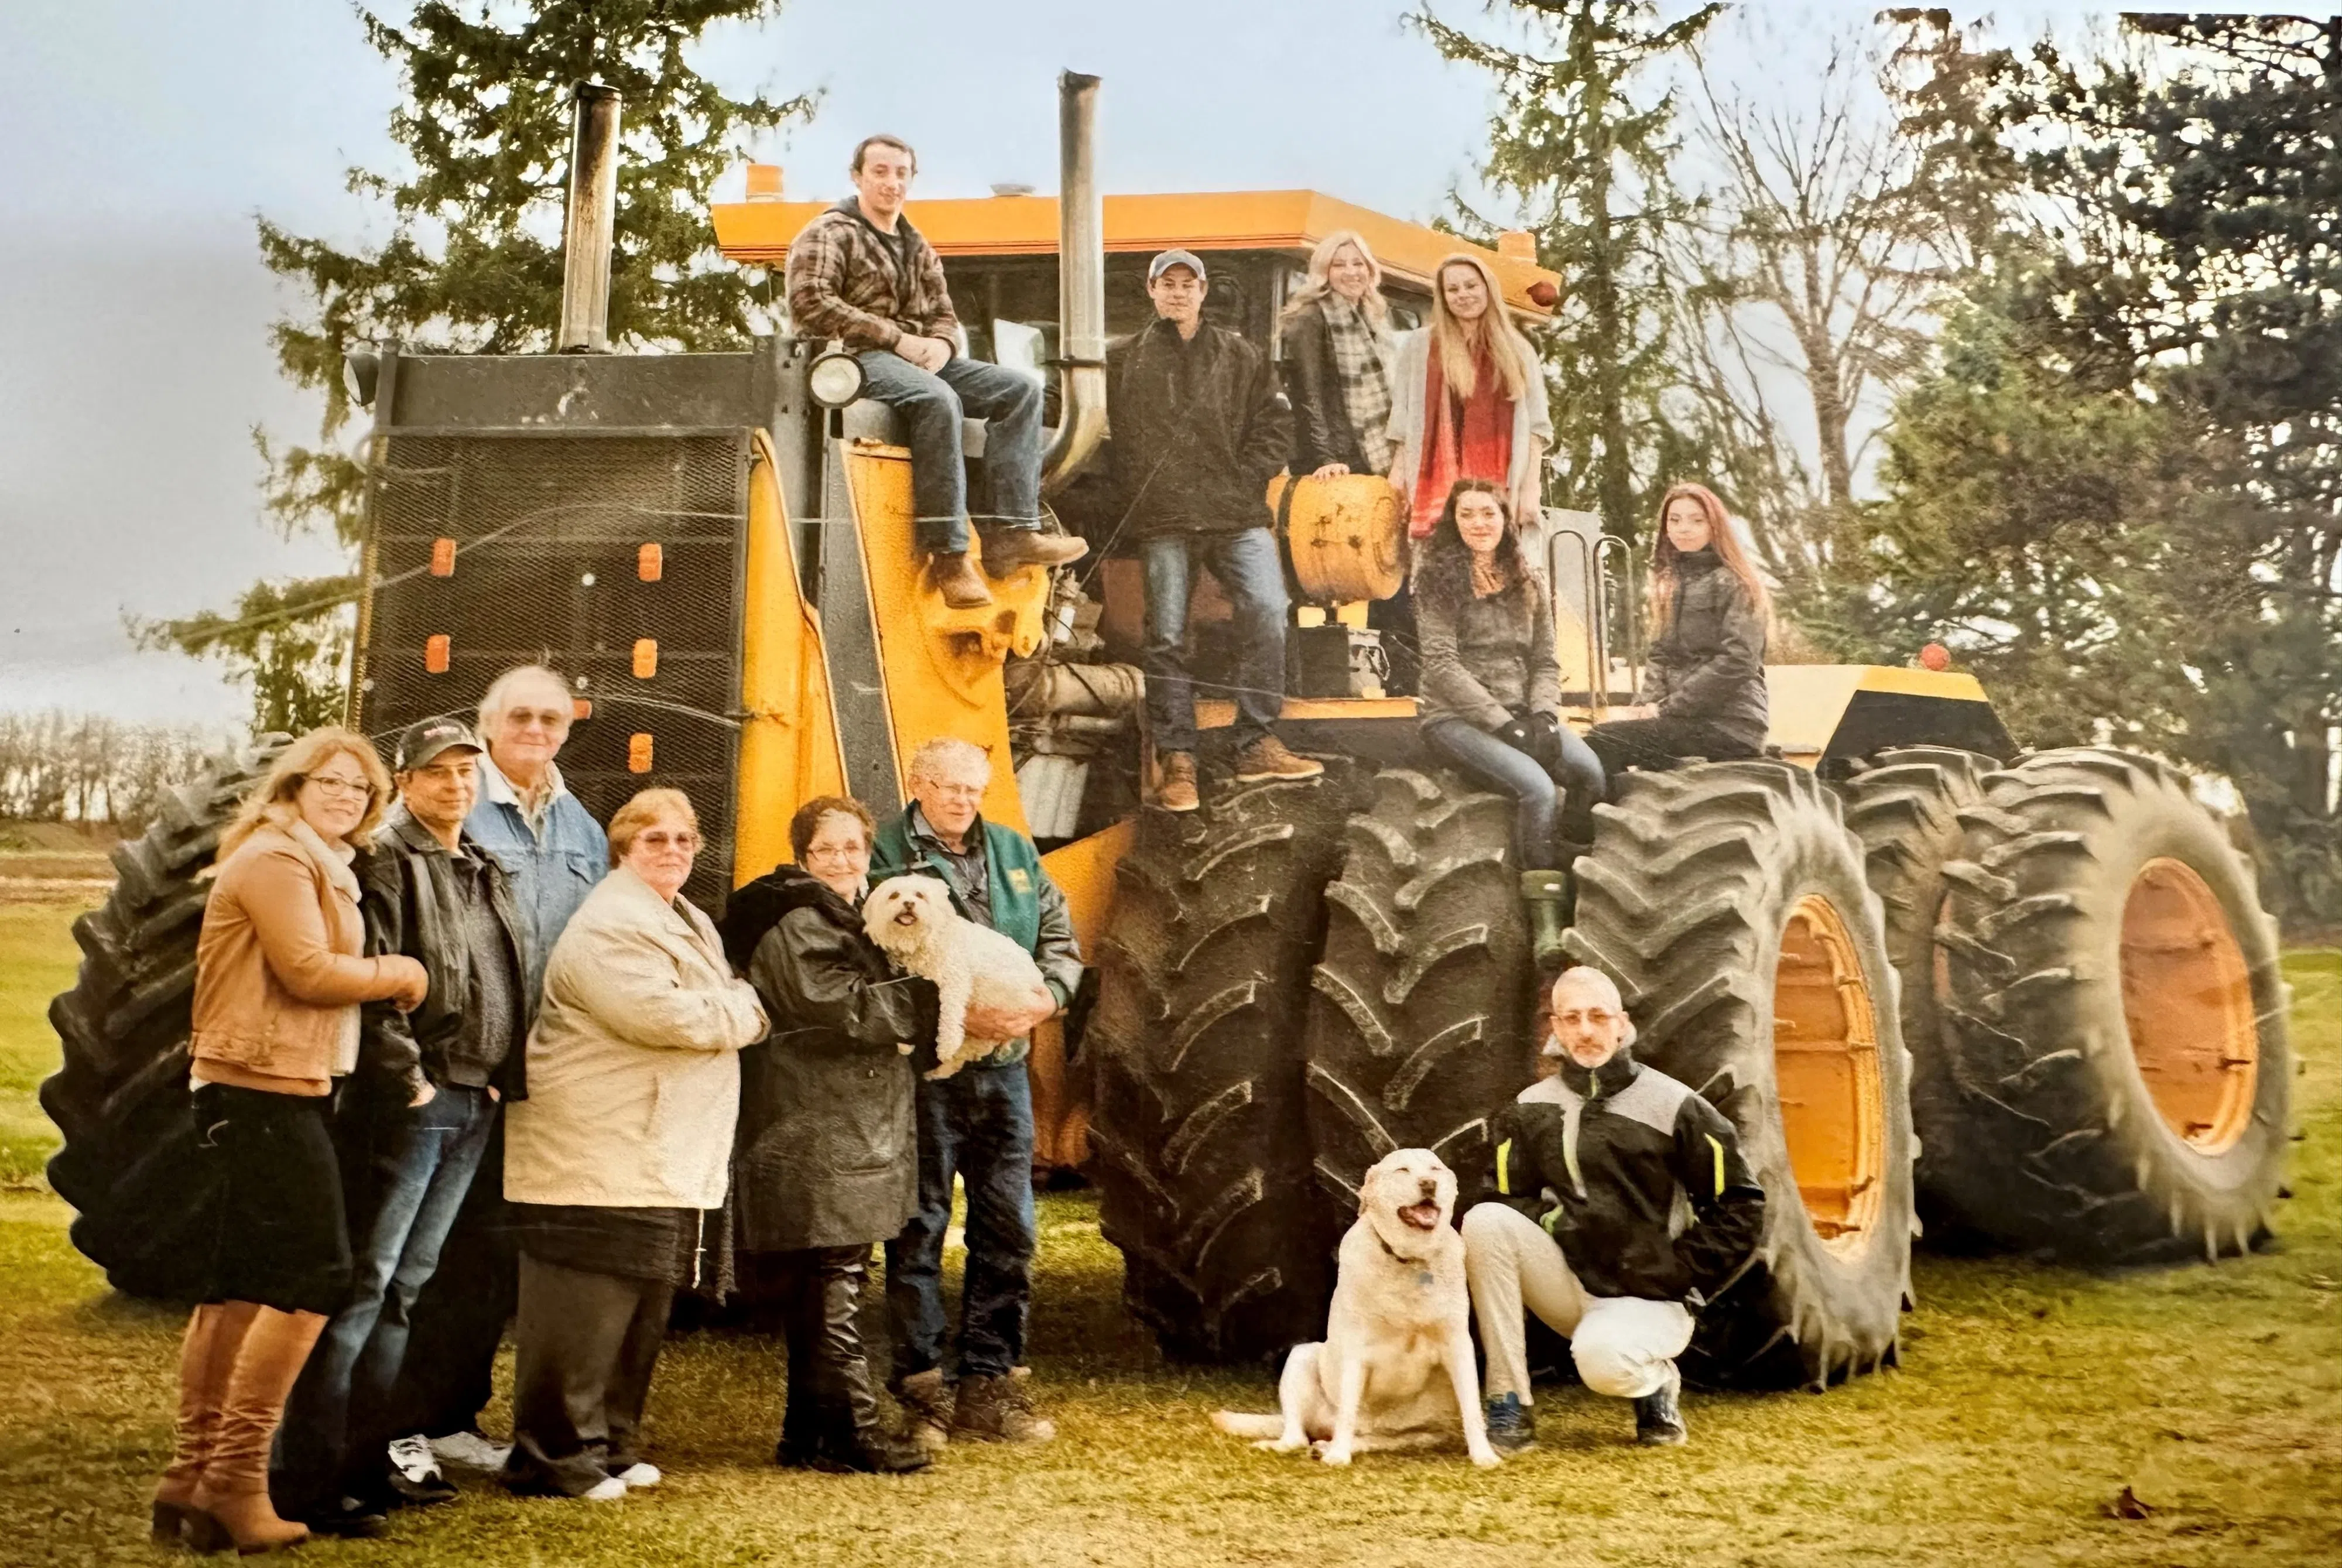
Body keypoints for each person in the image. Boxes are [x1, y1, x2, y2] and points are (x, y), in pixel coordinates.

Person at [151, 727, 430, 1555]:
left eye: (361, 789)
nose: (346, 796)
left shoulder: (314, 860)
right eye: (331, 781)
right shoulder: (279, 859)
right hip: (262, 1087)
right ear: (294, 783)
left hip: (271, 1085)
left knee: (241, 1280)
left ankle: (192, 1480)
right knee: (318, 1272)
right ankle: (236, 1481)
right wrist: (403, 972)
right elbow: (308, 970)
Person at [272, 717, 530, 1536]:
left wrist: (496, 1077)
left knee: (407, 1286)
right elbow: (374, 980)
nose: (456, 784)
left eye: (467, 771)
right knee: (368, 1285)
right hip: (418, 1103)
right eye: (437, 772)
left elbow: (497, 978)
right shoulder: (387, 859)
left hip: (473, 1099)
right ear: (407, 783)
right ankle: (307, 1470)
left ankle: (366, 1459)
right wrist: (409, 1082)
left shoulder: (480, 865)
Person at [498, 788, 767, 1501]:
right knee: (582, 1310)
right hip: (595, 1148)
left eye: (684, 838)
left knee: (639, 1305)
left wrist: (732, 1006)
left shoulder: (686, 919)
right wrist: (742, 1009)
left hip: (652, 1149)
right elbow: (665, 1015)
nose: (672, 850)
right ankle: (552, 1456)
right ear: (622, 849)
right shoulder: (610, 924)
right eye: (654, 839)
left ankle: (611, 1445)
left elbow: (717, 1002)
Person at [385, 663, 607, 1491]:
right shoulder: (452, 804)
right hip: (450, 1069)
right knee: (418, 1256)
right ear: (487, 724)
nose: (537, 731)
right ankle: (393, 1422)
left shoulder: (581, 826)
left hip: (531, 1075)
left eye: (553, 717)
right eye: (521, 716)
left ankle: (449, 1416)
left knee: (484, 1254)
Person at [874, 738, 1084, 1449]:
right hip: (929, 1075)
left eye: (973, 789)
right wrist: (950, 1016)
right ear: (919, 783)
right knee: (920, 1227)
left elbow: (1060, 936)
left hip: (1005, 1070)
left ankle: (990, 1384)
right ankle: (923, 1391)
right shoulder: (884, 856)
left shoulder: (1015, 853)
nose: (962, 800)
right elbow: (869, 957)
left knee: (1010, 1229)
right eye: (948, 786)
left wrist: (1045, 1002)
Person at [1461, 967, 1765, 1452]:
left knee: (1602, 1362)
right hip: (1571, 1283)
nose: (1586, 1031)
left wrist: (1677, 1268)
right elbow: (1498, 1196)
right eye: (1573, 1018)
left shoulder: (1676, 1105)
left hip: (1647, 1296)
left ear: (1621, 1024)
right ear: (1556, 1028)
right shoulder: (1529, 1108)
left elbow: (1742, 1206)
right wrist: (1552, 1220)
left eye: (1599, 1017)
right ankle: (1507, 1399)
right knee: (1483, 1223)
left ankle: (1656, 1383)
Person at [786, 132, 1087, 609]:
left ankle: (1012, 532)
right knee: (937, 400)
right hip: (853, 359)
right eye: (881, 172)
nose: (892, 183)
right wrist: (898, 339)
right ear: (857, 176)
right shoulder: (829, 232)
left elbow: (945, 314)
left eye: (901, 173)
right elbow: (811, 303)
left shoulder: (917, 244)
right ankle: (948, 555)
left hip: (915, 359)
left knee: (1021, 391)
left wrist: (943, 347)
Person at [738, 797, 933, 1474]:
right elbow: (839, 1006)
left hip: (842, 1124)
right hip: (818, 1123)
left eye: (854, 848)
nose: (844, 861)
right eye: (827, 850)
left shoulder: (848, 916)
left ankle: (808, 1433)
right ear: (803, 856)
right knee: (833, 1280)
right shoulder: (801, 922)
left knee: (825, 1280)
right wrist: (924, 1004)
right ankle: (855, 1431)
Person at [1112, 248, 1321, 812]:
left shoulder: (1242, 355)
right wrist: (1135, 489)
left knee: (1268, 610)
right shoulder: (1123, 359)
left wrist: (1246, 478)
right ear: (1152, 292)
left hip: (1234, 513)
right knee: (1166, 639)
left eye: (1189, 284)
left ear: (1204, 292)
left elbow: (1277, 425)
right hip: (1165, 518)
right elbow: (1095, 429)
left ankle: (1255, 740)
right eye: (1168, 283)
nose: (1178, 293)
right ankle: (1179, 761)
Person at [1412, 478, 1606, 968]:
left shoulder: (1529, 581)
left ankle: (1568, 870)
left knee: (1590, 773)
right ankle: (1545, 919)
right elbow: (1442, 664)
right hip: (1455, 719)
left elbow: (1545, 660)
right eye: (1467, 515)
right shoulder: (1436, 580)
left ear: (1506, 520)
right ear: (1454, 524)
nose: (1479, 524)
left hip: (1523, 713)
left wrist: (1543, 715)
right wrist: (1504, 726)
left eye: (1488, 514)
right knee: (1537, 790)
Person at [1586, 482, 1770, 775]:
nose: (1684, 528)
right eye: (1675, 520)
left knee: (1604, 740)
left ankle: (1585, 822)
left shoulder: (1737, 583)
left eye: (1697, 520)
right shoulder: (1671, 584)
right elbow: (1661, 656)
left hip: (1730, 722)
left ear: (1715, 526)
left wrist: (1667, 708)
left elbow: (1738, 661)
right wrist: (1644, 706)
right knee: (1606, 743)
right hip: (1683, 718)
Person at [1388, 252, 1551, 537]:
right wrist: (1396, 482)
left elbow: (1537, 427)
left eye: (1471, 286)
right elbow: (1403, 423)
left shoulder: (1518, 350)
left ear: (1487, 288)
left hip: (1500, 488)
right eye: (1453, 289)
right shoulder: (1419, 347)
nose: (1463, 295)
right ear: (1443, 297)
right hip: (1434, 489)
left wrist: (1530, 490)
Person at [1278, 230, 1398, 481]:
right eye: (1339, 265)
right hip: (1332, 462)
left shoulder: (1372, 317)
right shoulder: (1309, 318)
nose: (1352, 272)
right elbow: (1307, 394)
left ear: (1370, 269)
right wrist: (1326, 458)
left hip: (1369, 452)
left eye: (1358, 263)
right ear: (1325, 272)